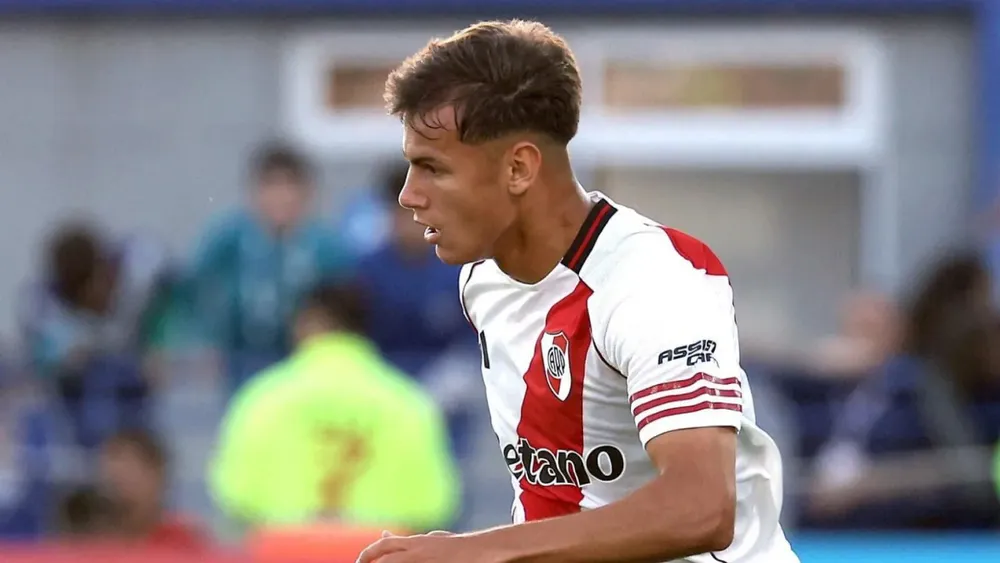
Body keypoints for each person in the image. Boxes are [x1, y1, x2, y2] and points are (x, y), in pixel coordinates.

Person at [359, 19, 797, 563]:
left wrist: (476, 553)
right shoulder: (482, 277)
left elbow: (703, 508)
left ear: (518, 167)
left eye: (432, 168)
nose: (408, 195)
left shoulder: (653, 283)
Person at [210, 283, 460, 534]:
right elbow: (434, 504)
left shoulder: (262, 398)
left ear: (305, 322)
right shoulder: (408, 403)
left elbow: (235, 493)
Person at [186, 142, 352, 394]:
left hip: (307, 366)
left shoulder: (327, 247)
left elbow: (346, 308)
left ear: (307, 193)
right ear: (254, 192)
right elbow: (194, 290)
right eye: (271, 186)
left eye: (290, 186)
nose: (281, 197)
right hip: (242, 363)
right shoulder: (227, 238)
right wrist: (206, 340)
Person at [97, 429, 206, 550]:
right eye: (113, 473)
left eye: (131, 470)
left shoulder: (185, 541)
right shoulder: (91, 541)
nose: (118, 479)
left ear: (158, 475)